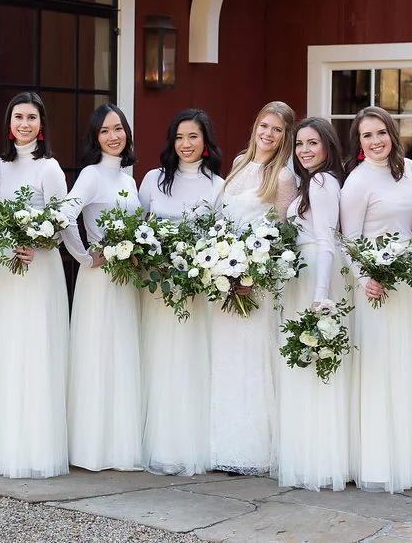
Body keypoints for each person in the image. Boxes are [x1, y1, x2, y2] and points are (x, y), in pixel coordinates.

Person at [338, 106, 412, 493]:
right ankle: (376, 460)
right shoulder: (356, 183)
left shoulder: (408, 169)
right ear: (358, 143)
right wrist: (365, 277)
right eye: (366, 136)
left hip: (408, 279)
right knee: (379, 368)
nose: (375, 141)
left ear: (392, 133)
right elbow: (349, 238)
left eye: (380, 133)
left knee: (409, 363)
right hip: (374, 285)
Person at [0, 92, 69, 479]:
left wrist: (40, 244)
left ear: (42, 124)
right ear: (9, 123)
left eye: (31, 117)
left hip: (38, 267)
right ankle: (4, 438)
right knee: (6, 347)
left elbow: (63, 220)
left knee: (34, 349)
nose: (24, 124)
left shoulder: (49, 168)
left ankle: (36, 446)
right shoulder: (2, 166)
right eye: (18, 117)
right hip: (6, 266)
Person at [210, 101, 297, 476]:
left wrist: (249, 274)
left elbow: (279, 236)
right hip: (225, 277)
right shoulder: (240, 163)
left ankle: (253, 450)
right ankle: (222, 444)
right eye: (265, 125)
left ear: (285, 136)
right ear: (256, 126)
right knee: (226, 360)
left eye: (277, 130)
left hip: (255, 285)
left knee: (251, 362)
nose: (268, 134)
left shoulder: (282, 179)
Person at [137, 109, 225, 476]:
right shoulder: (153, 180)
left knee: (189, 362)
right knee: (157, 361)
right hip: (157, 289)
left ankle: (190, 444)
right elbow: (136, 230)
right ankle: (153, 442)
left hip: (195, 290)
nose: (185, 144)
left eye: (193, 137)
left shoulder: (218, 185)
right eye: (179, 137)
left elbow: (222, 239)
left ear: (205, 141)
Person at [61, 103, 143, 471]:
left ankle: (119, 446)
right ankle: (91, 447)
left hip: (126, 282)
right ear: (96, 137)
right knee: (97, 357)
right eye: (106, 130)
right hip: (100, 280)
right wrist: (84, 256)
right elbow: (64, 216)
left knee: (121, 357)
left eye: (119, 128)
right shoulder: (92, 175)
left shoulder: (128, 179)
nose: (114, 136)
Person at [276, 117, 351, 491]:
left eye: (313, 143)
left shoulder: (321, 182)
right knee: (309, 365)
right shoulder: (314, 182)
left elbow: (326, 240)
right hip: (304, 273)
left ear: (327, 147)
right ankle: (309, 453)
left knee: (315, 365)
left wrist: (320, 295)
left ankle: (319, 459)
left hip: (315, 277)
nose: (305, 150)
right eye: (300, 144)